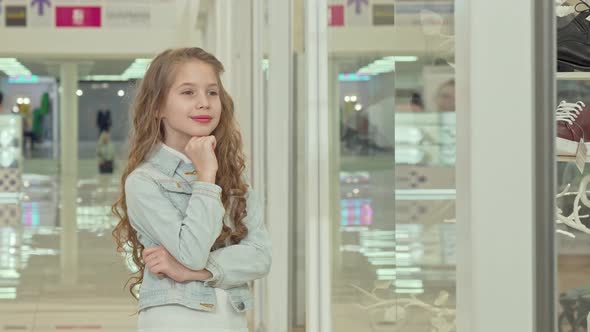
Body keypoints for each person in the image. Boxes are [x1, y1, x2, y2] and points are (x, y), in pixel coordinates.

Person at [111, 47, 272, 332]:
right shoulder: (145, 181)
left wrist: (190, 272)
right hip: (174, 320)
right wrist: (205, 176)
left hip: (231, 320)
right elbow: (192, 251)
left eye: (212, 92)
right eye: (188, 93)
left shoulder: (234, 175)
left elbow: (260, 257)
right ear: (158, 106)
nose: (204, 103)